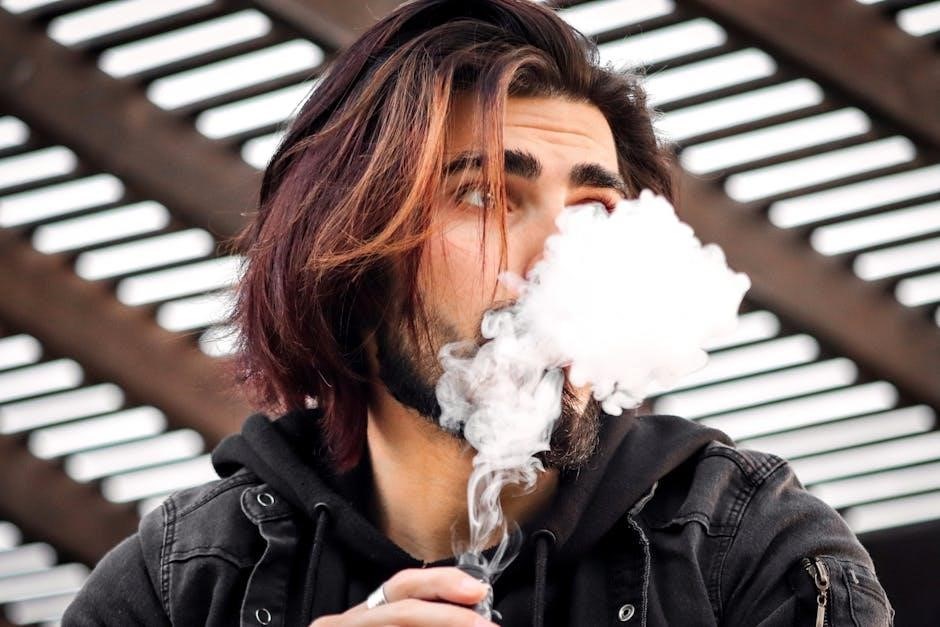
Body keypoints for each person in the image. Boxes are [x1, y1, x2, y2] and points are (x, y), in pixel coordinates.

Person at [65, 1, 894, 625]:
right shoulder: (180, 583)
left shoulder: (752, 552)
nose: (559, 255)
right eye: (485, 194)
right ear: (351, 248)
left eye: (595, 208)